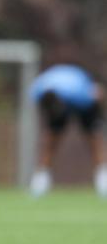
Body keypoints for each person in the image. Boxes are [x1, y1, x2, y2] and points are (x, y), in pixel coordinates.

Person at [29, 64, 107, 198]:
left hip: (84, 101)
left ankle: (103, 181)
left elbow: (97, 94)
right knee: (50, 142)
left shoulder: (81, 95)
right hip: (63, 95)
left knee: (95, 140)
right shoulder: (36, 91)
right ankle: (40, 183)